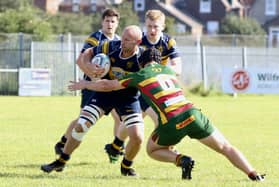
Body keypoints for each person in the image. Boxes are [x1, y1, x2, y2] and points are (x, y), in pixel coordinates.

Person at [68, 48, 265, 181]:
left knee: (152, 149)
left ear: (142, 63)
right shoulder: (170, 72)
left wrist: (85, 83)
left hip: (171, 121)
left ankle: (180, 159)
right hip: (193, 113)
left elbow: (108, 85)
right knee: (225, 147)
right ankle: (254, 174)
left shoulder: (139, 75)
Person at [41, 25, 145, 176]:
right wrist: (89, 66)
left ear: (138, 42)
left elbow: (108, 85)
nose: (122, 42)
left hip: (127, 97)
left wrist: (86, 84)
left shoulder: (141, 59)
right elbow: (86, 53)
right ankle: (61, 161)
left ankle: (126, 166)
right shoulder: (111, 46)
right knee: (81, 125)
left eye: (127, 40)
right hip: (103, 95)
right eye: (122, 37)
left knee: (137, 137)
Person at [105, 9, 182, 163]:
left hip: (158, 89)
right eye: (149, 26)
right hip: (141, 90)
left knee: (135, 120)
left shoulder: (168, 42)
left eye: (156, 27)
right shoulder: (139, 41)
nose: (152, 30)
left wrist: (156, 71)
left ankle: (115, 145)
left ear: (163, 26)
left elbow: (178, 69)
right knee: (159, 119)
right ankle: (168, 148)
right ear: (144, 25)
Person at [53, 8, 120, 155]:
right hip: (91, 86)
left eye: (112, 21)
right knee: (83, 118)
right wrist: (92, 73)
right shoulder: (95, 38)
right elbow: (81, 60)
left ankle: (116, 148)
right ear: (102, 22)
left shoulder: (118, 41)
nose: (109, 24)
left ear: (117, 23)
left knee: (119, 117)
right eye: (107, 21)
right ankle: (63, 142)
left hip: (108, 87)